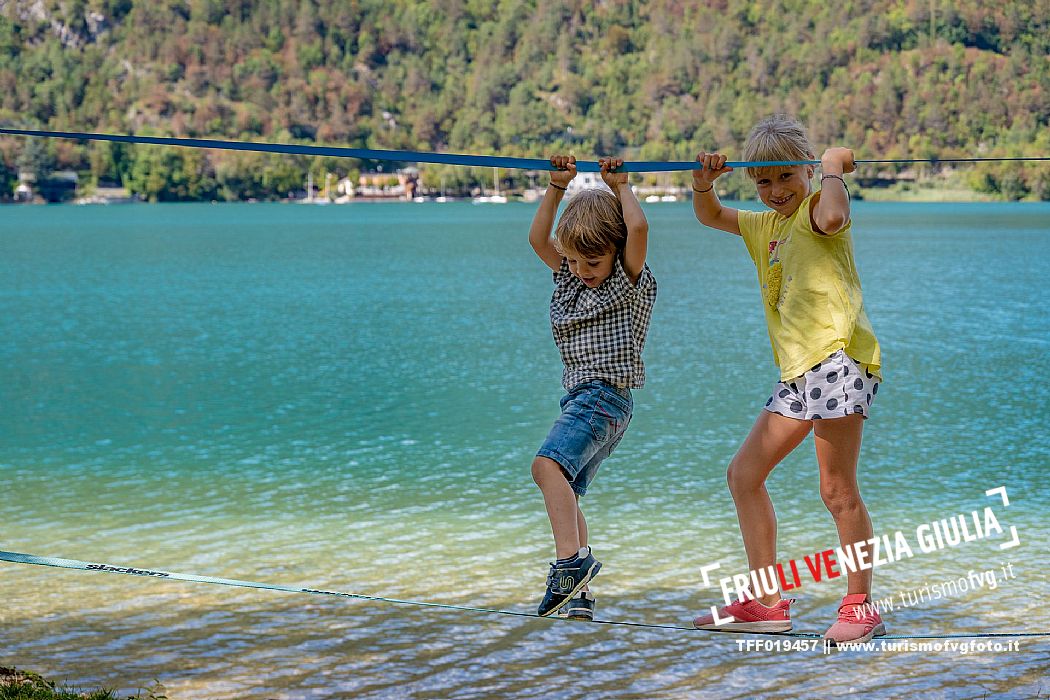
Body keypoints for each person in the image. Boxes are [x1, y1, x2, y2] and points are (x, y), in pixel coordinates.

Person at [689, 114, 885, 645]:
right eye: (763, 182)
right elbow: (710, 216)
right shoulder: (762, 226)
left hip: (839, 361)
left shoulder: (818, 212)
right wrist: (704, 182)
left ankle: (860, 605)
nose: (775, 192)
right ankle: (767, 602)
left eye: (785, 178)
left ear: (804, 170)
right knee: (743, 476)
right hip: (797, 375)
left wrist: (830, 170)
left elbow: (837, 214)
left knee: (836, 490)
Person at [527, 154, 657, 620]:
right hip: (588, 401)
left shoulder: (626, 280)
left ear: (615, 252)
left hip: (604, 396)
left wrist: (620, 186)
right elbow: (538, 239)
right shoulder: (569, 277)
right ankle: (578, 594)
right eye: (576, 259)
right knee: (565, 487)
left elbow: (638, 231)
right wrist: (557, 186)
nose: (583, 269)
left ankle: (571, 565)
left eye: (593, 260)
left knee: (546, 467)